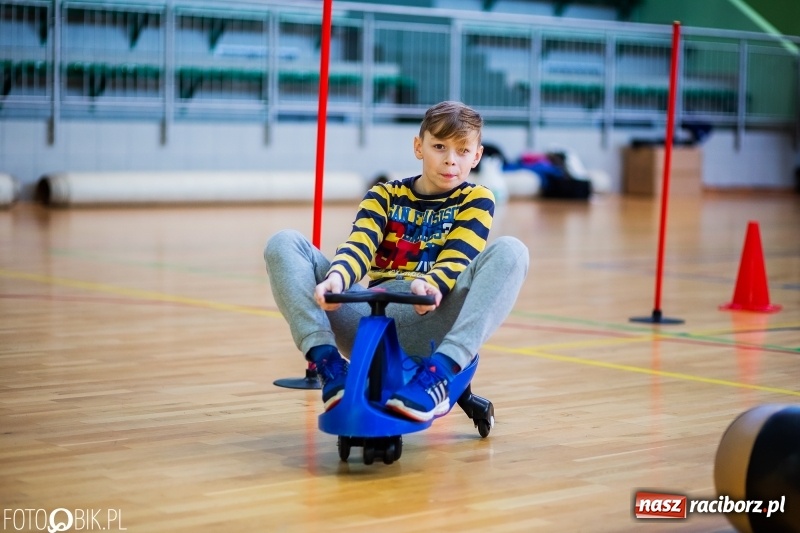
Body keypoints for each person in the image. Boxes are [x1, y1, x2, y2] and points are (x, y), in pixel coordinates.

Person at [264, 101, 529, 422]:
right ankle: (330, 367)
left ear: (477, 156)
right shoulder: (383, 195)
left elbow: (460, 254)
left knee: (512, 250)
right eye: (439, 147)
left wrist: (431, 285)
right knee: (284, 242)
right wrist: (337, 279)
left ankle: (440, 373)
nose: (450, 160)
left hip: (434, 313)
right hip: (373, 319)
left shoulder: (477, 198)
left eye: (462, 151)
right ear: (419, 147)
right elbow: (359, 245)